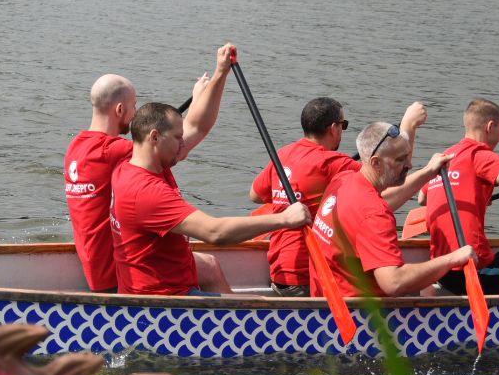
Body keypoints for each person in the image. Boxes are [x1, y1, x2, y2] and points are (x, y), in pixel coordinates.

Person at [66, 44, 235, 292]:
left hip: (97, 266)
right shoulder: (114, 153)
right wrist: (218, 76)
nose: (136, 113)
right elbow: (195, 130)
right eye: (134, 106)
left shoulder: (77, 147)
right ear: (120, 110)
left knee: (209, 266)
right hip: (120, 274)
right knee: (209, 266)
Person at [111, 102, 310, 296]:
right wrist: (284, 219)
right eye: (178, 137)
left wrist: (216, 81)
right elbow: (215, 232)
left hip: (158, 273)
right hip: (164, 300)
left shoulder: (129, 165)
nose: (183, 144)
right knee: (257, 304)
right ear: (154, 137)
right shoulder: (147, 191)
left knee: (209, 265)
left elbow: (198, 126)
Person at [249, 97, 430, 296]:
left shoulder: (284, 154)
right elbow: (386, 179)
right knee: (412, 289)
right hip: (304, 278)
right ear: (334, 128)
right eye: (343, 125)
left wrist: (296, 195)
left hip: (278, 271)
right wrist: (409, 126)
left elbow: (256, 195)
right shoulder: (333, 163)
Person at [309, 121, 471, 299]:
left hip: (325, 298)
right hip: (358, 312)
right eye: (400, 159)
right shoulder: (374, 213)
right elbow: (394, 283)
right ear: (376, 163)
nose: (409, 165)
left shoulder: (343, 180)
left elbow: (378, 205)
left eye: (407, 156)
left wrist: (429, 171)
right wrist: (452, 259)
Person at [418, 98, 499, 293]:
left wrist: (472, 197)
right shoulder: (479, 155)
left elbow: (422, 198)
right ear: (490, 127)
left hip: (441, 266)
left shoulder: (445, 156)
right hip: (470, 268)